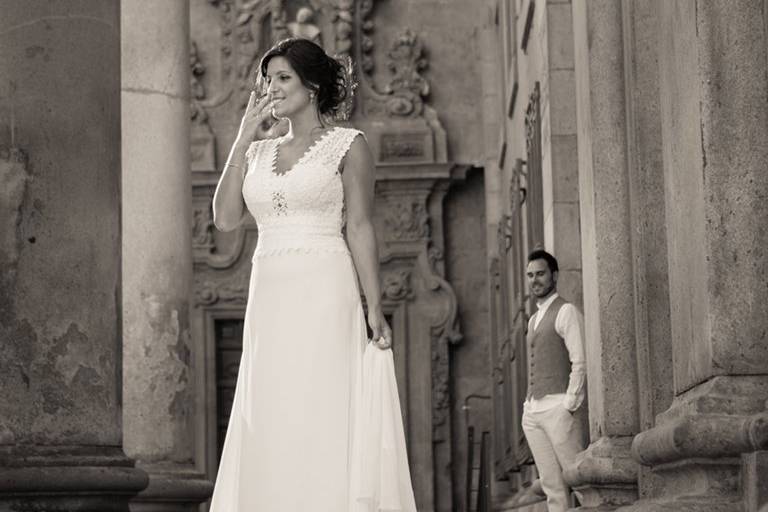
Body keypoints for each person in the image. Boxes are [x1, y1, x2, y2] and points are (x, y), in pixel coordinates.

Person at [208, 38, 417, 511]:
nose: (272, 89)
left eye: (283, 78)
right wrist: (242, 138)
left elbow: (361, 228)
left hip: (325, 286)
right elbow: (224, 218)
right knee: (271, 407)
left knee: (320, 401)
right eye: (269, 79)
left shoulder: (349, 145)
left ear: (314, 85)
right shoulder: (257, 153)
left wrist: (375, 308)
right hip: (270, 293)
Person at [522, 249, 587, 512]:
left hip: (558, 407)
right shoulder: (533, 319)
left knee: (579, 479)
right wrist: (527, 407)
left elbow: (580, 360)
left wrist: (569, 404)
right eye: (530, 275)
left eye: (540, 273)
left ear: (554, 276)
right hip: (533, 412)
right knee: (551, 487)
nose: (534, 280)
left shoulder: (566, 311)